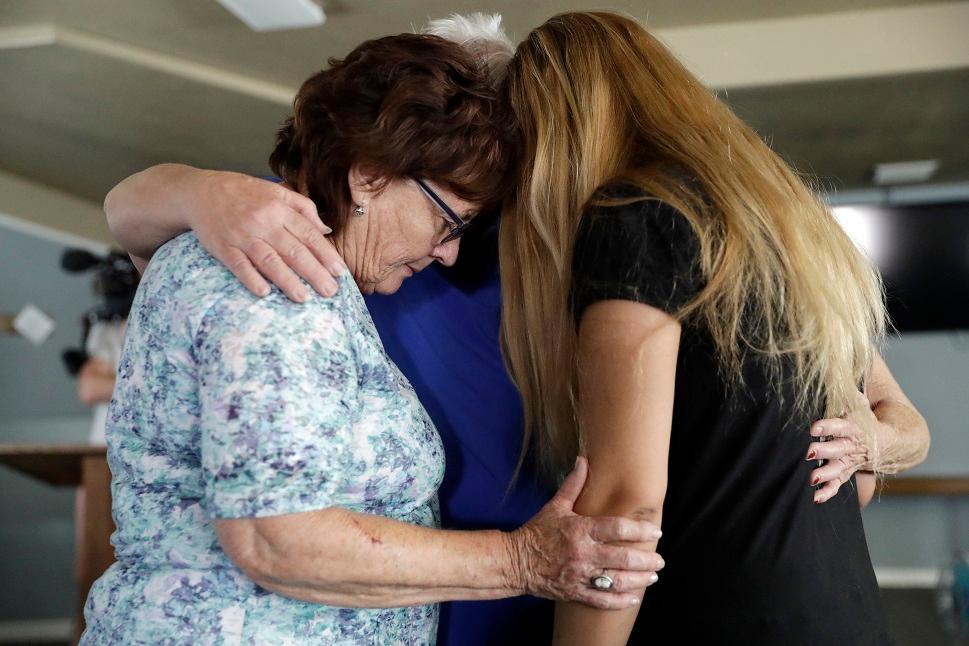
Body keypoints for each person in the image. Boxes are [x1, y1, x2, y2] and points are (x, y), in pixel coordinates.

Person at [102, 14, 931, 645]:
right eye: (455, 208)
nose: (463, 236)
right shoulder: (280, 245)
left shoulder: (616, 228)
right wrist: (200, 191)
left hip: (603, 597)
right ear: (371, 173)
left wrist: (872, 442)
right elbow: (272, 534)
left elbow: (846, 438)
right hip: (521, 590)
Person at [82, 32, 667, 645]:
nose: (449, 252)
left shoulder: (303, 270)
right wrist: (524, 560)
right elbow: (275, 538)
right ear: (369, 176)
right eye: (448, 222)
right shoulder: (279, 279)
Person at [496, 11, 931, 644]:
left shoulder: (633, 217)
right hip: (839, 616)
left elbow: (625, 507)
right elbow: (855, 480)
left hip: (724, 615)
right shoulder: (790, 235)